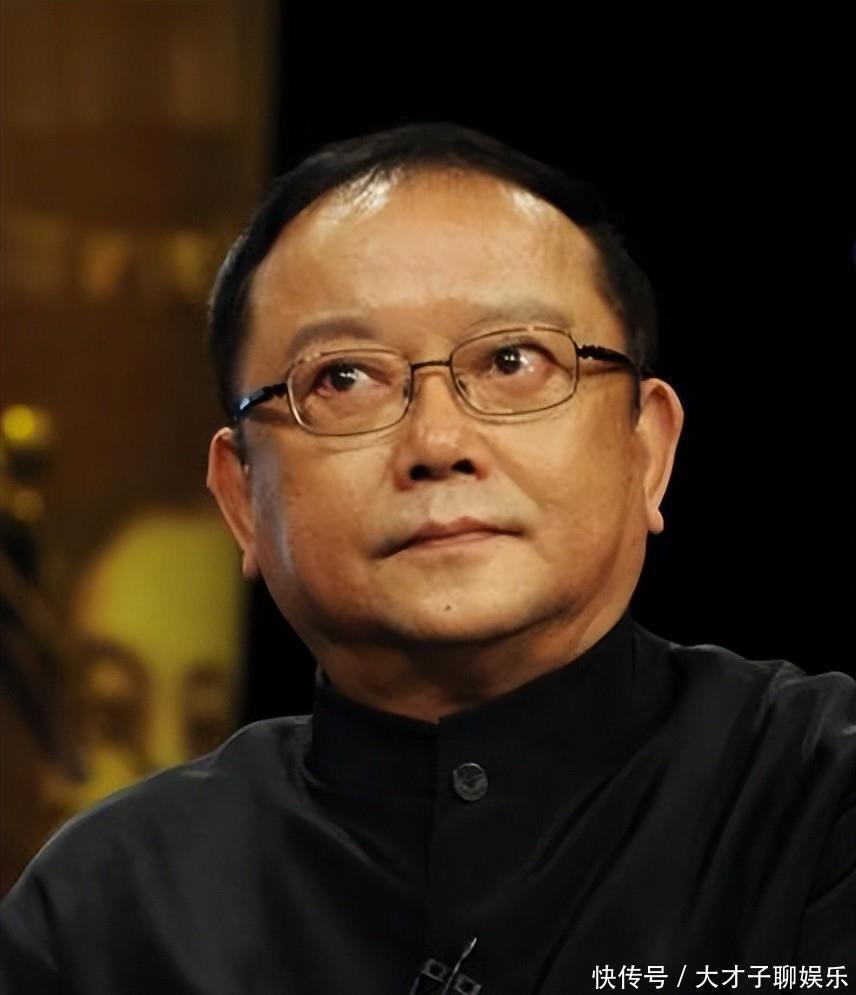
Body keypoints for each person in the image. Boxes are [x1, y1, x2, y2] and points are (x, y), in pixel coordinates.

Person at [1, 123, 853, 994]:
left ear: (647, 452)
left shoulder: (819, 796)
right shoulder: (107, 910)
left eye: (514, 359)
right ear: (242, 498)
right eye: (343, 378)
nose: (439, 443)